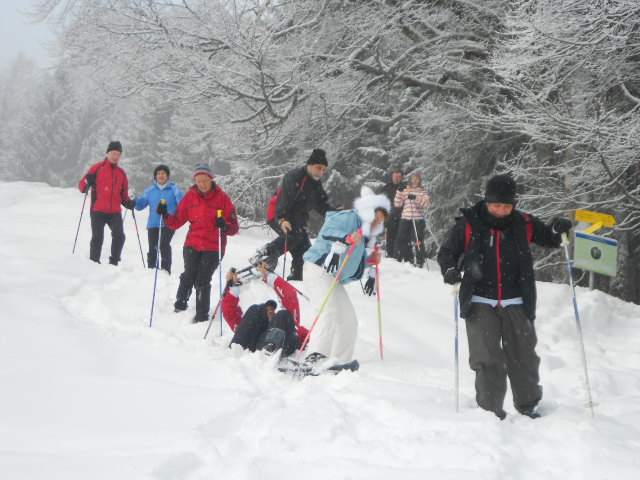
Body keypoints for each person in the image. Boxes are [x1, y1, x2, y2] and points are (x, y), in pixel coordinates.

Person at [436, 174, 572, 420]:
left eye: (507, 206)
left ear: (514, 204)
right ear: (487, 201)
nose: (501, 210)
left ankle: (528, 405)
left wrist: (559, 228)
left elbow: (551, 238)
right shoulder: (469, 223)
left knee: (524, 356)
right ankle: (489, 413)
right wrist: (449, 269)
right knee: (487, 359)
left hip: (517, 301)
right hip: (479, 300)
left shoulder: (524, 223)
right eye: (496, 205)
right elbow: (447, 252)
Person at [301, 186, 390, 366]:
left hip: (332, 277)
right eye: (374, 219)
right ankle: (316, 356)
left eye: (378, 223)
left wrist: (370, 262)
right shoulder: (350, 217)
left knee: (349, 320)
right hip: (317, 268)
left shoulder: (363, 235)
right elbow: (331, 230)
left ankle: (340, 361)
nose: (374, 224)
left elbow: (351, 260)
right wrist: (346, 239)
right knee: (329, 310)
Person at [157, 164, 239, 322]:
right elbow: (176, 221)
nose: (201, 184)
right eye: (198, 181)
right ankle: (180, 305)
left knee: (202, 279)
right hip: (192, 243)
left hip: (214, 246)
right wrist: (165, 215)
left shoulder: (222, 198)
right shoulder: (190, 196)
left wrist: (225, 226)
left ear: (211, 178)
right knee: (189, 275)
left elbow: (234, 228)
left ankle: (201, 316)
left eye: (204, 180)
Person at [254, 148, 339, 281]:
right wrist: (282, 219)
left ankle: (296, 277)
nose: (321, 172)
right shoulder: (295, 176)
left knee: (304, 251)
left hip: (297, 220)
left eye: (323, 169)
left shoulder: (316, 184)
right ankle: (265, 255)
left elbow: (322, 204)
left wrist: (336, 214)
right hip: (278, 213)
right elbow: (284, 199)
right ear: (309, 165)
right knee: (295, 235)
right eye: (318, 168)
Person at [225, 263, 309, 358]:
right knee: (254, 309)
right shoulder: (255, 325)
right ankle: (236, 350)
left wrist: (269, 277)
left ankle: (270, 350)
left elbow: (290, 297)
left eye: (272, 310)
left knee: (284, 314)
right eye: (267, 310)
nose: (270, 311)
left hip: (284, 345)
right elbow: (230, 313)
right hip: (256, 345)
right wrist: (233, 286)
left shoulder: (285, 321)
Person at [78, 141, 136, 265]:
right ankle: (94, 262)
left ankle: (114, 262)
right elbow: (82, 187)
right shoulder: (97, 168)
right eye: (114, 153)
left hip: (114, 212)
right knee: (97, 238)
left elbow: (123, 195)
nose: (116, 156)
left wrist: (128, 203)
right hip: (97, 210)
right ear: (108, 153)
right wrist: (87, 181)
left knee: (119, 236)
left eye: (118, 154)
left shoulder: (121, 173)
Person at [134, 165, 184, 274]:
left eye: (163, 173)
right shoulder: (150, 190)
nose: (161, 175)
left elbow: (183, 205)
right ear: (155, 176)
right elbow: (141, 204)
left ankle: (165, 270)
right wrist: (133, 202)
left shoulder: (174, 190)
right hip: (153, 223)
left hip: (169, 222)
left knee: (163, 244)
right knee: (153, 248)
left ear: (168, 176)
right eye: (158, 173)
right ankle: (151, 270)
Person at [394, 172, 430, 267]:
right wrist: (399, 191)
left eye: (417, 179)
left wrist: (416, 198)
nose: (414, 180)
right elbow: (397, 204)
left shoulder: (423, 191)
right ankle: (407, 259)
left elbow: (425, 204)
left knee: (418, 240)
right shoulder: (406, 190)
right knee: (403, 239)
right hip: (406, 218)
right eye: (413, 179)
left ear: (419, 181)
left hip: (417, 219)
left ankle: (420, 261)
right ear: (410, 180)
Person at [378, 168, 405, 258]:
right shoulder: (386, 188)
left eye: (398, 177)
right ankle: (390, 254)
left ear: (402, 178)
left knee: (402, 236)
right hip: (390, 216)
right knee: (391, 235)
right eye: (394, 176)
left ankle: (401, 254)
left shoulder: (405, 188)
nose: (396, 178)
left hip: (403, 216)